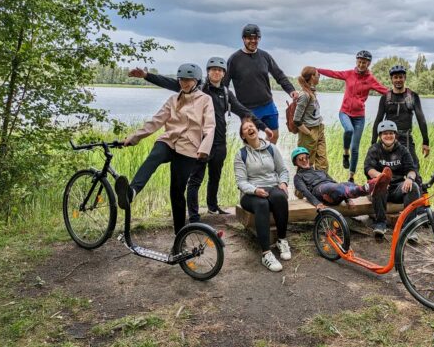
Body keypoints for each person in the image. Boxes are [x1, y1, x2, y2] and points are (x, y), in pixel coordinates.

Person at [129, 57, 273, 220]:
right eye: (213, 69)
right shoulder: (197, 87)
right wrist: (146, 75)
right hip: (200, 141)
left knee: (215, 177)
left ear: (224, 74)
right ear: (207, 72)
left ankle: (213, 207)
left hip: (219, 142)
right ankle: (194, 214)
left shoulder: (226, 93)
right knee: (195, 179)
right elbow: (169, 82)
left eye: (220, 70)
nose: (216, 72)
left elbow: (243, 110)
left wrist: (263, 127)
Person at [116, 63, 216, 235]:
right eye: (182, 80)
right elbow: (156, 122)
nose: (184, 83)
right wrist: (134, 138)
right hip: (169, 141)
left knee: (177, 193)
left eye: (188, 80)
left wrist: (204, 149)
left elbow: (210, 126)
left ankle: (180, 236)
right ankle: (132, 192)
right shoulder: (172, 100)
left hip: (189, 148)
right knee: (154, 155)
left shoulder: (205, 100)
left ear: (196, 81)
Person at [318, 50, 387, 182]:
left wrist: (399, 93)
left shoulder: (370, 79)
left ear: (368, 64)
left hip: (359, 117)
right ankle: (345, 153)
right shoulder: (349, 74)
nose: (361, 65)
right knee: (348, 130)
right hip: (344, 112)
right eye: (359, 62)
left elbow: (383, 90)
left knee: (355, 148)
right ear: (357, 61)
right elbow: (334, 73)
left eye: (364, 63)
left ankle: (351, 177)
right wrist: (318, 70)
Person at [225, 24, 297, 144]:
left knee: (274, 136)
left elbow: (279, 75)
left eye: (256, 38)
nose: (253, 41)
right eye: (249, 38)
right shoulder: (234, 59)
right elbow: (224, 85)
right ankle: (254, 159)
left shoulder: (265, 56)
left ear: (259, 39)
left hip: (268, 105)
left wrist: (291, 90)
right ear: (243, 39)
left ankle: (267, 158)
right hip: (247, 109)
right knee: (250, 142)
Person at [235, 117, 291, 272]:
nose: (249, 129)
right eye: (245, 129)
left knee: (280, 197)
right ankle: (266, 253)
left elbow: (283, 170)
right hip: (250, 193)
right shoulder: (241, 154)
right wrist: (255, 190)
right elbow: (241, 181)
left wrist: (283, 183)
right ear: (243, 136)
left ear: (257, 129)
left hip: (272, 187)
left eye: (251, 126)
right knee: (262, 204)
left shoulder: (271, 148)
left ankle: (282, 240)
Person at [364, 120, 421, 238]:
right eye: (385, 133)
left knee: (413, 187)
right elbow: (368, 169)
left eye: (391, 133)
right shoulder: (374, 149)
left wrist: (410, 178)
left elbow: (411, 169)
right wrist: (381, 177)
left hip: (397, 189)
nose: (388, 136)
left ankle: (408, 227)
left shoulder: (403, 150)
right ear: (380, 136)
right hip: (379, 189)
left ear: (395, 135)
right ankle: (380, 223)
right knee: (380, 184)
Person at [371, 64, 430, 170]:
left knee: (413, 167)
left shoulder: (412, 96)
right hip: (388, 138)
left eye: (400, 77)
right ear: (391, 79)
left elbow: (421, 120)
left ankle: (415, 185)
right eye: (395, 77)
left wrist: (426, 142)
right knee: (379, 167)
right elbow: (378, 120)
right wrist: (373, 143)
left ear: (405, 78)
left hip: (405, 138)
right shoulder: (385, 98)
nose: (398, 80)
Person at [292, 146, 391, 209]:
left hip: (333, 191)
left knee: (348, 184)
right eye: (300, 159)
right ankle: (372, 185)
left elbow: (335, 182)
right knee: (334, 186)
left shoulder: (320, 171)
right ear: (296, 162)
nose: (304, 160)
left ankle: (372, 188)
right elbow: (305, 192)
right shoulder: (298, 177)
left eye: (306, 157)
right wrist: (317, 203)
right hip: (320, 191)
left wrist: (347, 199)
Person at [293, 66, 328, 171]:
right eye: (318, 75)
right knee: (305, 165)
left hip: (319, 128)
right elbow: (296, 120)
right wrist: (309, 133)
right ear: (312, 77)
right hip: (308, 131)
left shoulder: (311, 92)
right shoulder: (304, 95)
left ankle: (321, 186)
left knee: (323, 164)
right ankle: (299, 188)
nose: (319, 77)